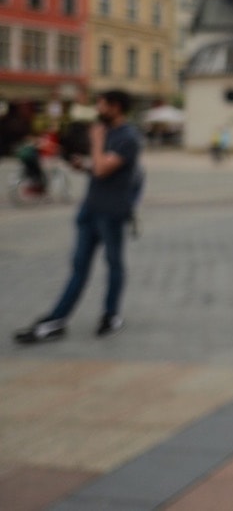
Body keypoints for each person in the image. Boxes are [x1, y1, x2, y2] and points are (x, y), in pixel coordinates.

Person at [14, 90, 144, 344]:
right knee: (79, 267)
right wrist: (82, 166)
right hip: (90, 209)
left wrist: (96, 142)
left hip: (112, 212)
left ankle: (111, 314)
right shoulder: (108, 133)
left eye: (102, 104)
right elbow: (97, 167)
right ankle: (56, 320)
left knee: (114, 264)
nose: (98, 108)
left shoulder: (128, 137)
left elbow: (104, 169)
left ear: (116, 107)